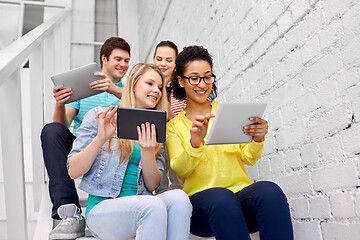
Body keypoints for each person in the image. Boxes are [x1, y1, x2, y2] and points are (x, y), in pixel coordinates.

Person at [166, 45, 294, 240]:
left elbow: (248, 158)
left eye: (207, 77)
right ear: (182, 81)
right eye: (194, 78)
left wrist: (257, 139)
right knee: (222, 198)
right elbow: (180, 170)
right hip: (201, 208)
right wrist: (195, 144)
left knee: (270, 192)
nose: (202, 84)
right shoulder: (174, 126)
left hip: (239, 198)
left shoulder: (227, 112)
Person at [67, 63, 191, 239]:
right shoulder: (102, 116)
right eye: (149, 83)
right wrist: (100, 138)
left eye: (160, 87)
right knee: (152, 205)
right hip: (103, 208)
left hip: (144, 203)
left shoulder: (155, 129)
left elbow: (152, 185)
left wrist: (148, 151)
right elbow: (73, 171)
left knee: (179, 198)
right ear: (133, 84)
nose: (156, 90)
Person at [40, 37, 131, 239]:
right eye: (118, 59)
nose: (123, 64)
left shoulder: (130, 91)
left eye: (126, 60)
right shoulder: (84, 89)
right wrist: (60, 103)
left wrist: (115, 90)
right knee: (51, 131)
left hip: (117, 152)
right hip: (86, 149)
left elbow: (141, 110)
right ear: (104, 59)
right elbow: (61, 126)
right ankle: (69, 210)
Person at [153, 40, 186, 119]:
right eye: (159, 59)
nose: (163, 64)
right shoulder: (147, 85)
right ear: (154, 59)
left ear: (176, 63)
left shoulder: (183, 87)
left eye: (168, 60)